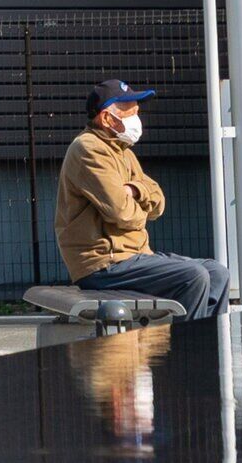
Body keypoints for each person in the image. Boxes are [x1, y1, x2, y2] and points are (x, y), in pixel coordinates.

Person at [57, 77, 220, 318]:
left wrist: (133, 190)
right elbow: (122, 213)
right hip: (104, 264)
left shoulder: (123, 152)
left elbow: (158, 202)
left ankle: (212, 346)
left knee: (217, 273)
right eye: (129, 112)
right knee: (194, 277)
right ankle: (189, 350)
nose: (137, 118)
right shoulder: (89, 149)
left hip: (134, 257)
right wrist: (139, 207)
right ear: (106, 118)